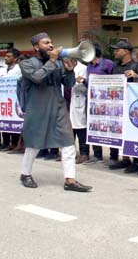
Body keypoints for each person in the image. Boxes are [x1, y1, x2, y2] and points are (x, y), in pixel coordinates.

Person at [18, 32, 91, 192]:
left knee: (68, 143)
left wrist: (70, 71)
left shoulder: (58, 63)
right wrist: (52, 60)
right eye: (46, 43)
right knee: (33, 145)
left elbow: (69, 83)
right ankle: (25, 174)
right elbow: (37, 78)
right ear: (36, 47)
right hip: (37, 109)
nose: (51, 45)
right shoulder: (26, 63)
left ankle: (70, 180)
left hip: (58, 109)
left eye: (51, 42)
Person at [106, 40, 138, 172]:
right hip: (116, 105)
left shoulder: (137, 66)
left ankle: (137, 161)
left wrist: (136, 76)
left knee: (133, 133)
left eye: (118, 50)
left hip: (131, 106)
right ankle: (125, 159)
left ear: (127, 51)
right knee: (119, 132)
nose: (115, 52)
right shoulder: (115, 66)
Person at [0, 48, 22, 151]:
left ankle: (17, 144)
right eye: (5, 56)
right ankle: (8, 143)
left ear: (16, 58)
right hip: (4, 99)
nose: (6, 58)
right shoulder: (4, 69)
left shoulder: (18, 69)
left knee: (15, 122)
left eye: (9, 56)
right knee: (6, 121)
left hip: (15, 98)